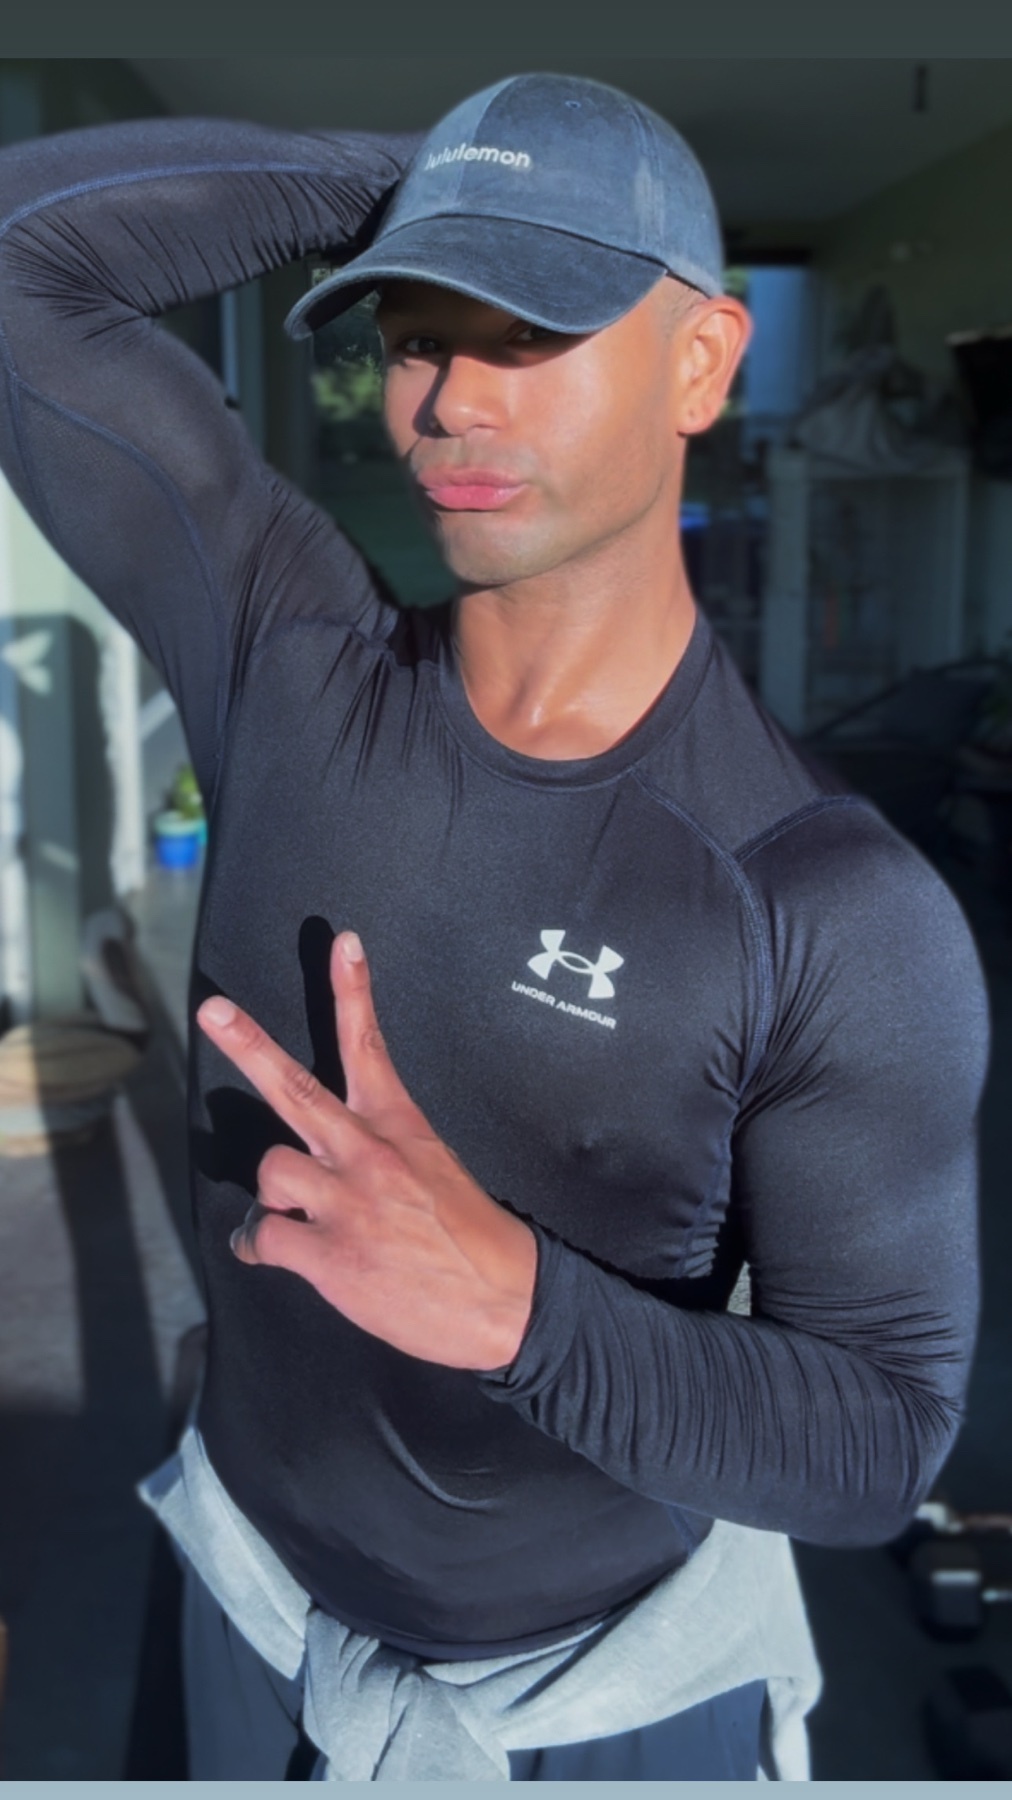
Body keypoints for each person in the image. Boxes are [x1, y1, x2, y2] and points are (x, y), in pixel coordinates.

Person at [0, 71, 991, 1781]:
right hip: (251, 1617)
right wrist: (425, 179)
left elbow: (879, 1440)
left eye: (528, 328)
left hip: (602, 1706)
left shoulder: (826, 905)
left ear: (702, 362)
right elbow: (24, 256)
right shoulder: (285, 663)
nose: (448, 399)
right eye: (414, 335)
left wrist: (518, 1306)